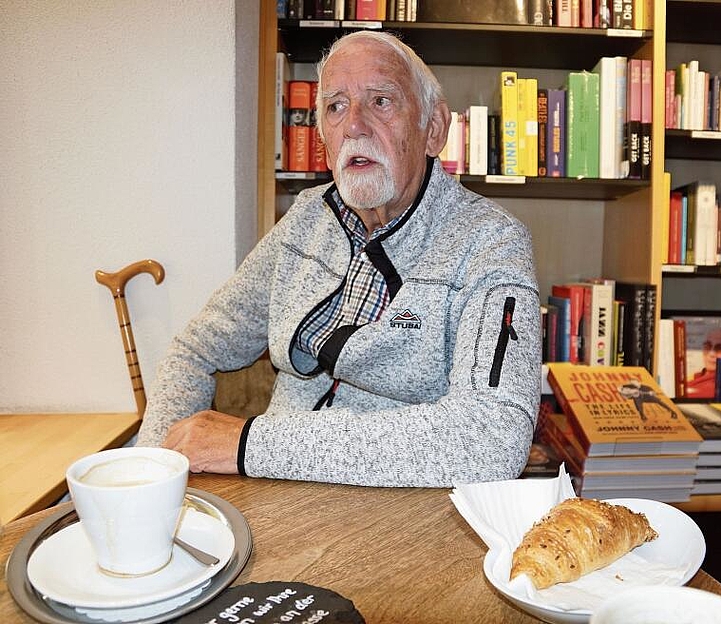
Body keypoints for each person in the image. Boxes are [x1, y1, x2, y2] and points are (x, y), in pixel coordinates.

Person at [136, 30, 542, 487]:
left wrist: (252, 444)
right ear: (324, 138)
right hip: (274, 496)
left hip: (403, 516)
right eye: (335, 106)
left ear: (434, 130)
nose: (354, 125)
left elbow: (491, 437)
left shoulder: (490, 240)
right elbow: (196, 349)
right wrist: (152, 475)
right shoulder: (305, 219)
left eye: (381, 101)